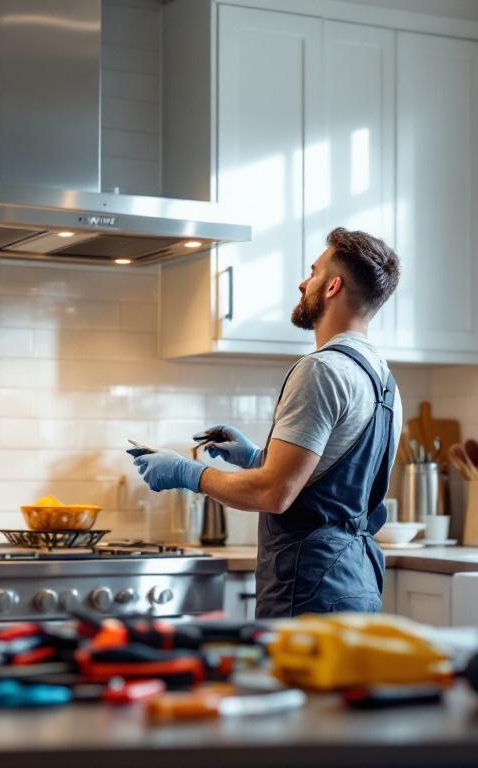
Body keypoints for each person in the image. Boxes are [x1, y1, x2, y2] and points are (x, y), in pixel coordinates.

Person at [129, 227, 402, 618]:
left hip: (309, 587)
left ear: (333, 287)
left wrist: (188, 473)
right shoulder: (383, 380)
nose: (302, 283)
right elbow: (328, 485)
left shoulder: (322, 370)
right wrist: (256, 458)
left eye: (313, 272)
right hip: (356, 583)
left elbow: (275, 493)